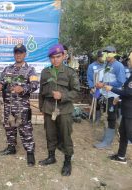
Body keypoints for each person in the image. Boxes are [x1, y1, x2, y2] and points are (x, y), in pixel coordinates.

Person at [38, 44, 80, 176]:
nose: (55, 60)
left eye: (58, 57)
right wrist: (41, 107)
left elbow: (77, 92)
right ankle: (51, 156)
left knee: (65, 136)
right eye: (52, 57)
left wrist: (63, 96)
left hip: (64, 109)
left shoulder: (70, 72)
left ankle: (67, 161)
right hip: (49, 108)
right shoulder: (45, 72)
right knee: (50, 134)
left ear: (63, 56)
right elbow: (41, 92)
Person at [0, 44, 39, 166]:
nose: (18, 55)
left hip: (22, 107)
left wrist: (23, 88)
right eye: (16, 53)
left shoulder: (30, 70)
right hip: (9, 106)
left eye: (20, 53)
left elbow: (35, 85)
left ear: (25, 54)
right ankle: (11, 147)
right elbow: (1, 82)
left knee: (26, 130)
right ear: (14, 54)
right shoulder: (7, 69)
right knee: (9, 128)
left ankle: (30, 152)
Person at [94, 46, 126, 149]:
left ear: (114, 53)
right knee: (107, 116)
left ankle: (107, 142)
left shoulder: (118, 66)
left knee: (111, 118)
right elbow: (106, 78)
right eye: (105, 53)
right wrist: (101, 84)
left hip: (113, 96)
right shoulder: (107, 64)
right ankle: (106, 138)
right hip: (106, 95)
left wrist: (104, 84)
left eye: (108, 53)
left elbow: (121, 82)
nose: (106, 55)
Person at [104, 53, 132, 164]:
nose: (128, 62)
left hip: (130, 111)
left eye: (129, 60)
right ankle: (121, 156)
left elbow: (128, 92)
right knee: (123, 133)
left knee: (130, 134)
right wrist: (119, 97)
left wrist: (112, 89)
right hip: (127, 110)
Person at [87, 50, 105, 122]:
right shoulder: (92, 66)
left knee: (104, 103)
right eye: (102, 57)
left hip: (104, 88)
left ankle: (104, 118)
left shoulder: (106, 65)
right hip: (96, 88)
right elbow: (89, 78)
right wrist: (91, 87)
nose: (103, 58)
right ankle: (96, 118)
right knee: (96, 103)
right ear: (98, 57)